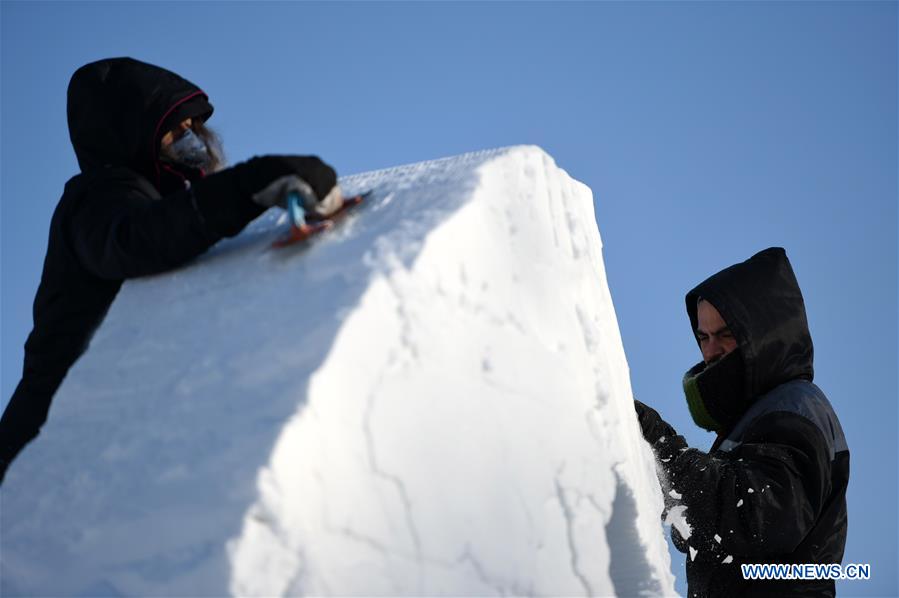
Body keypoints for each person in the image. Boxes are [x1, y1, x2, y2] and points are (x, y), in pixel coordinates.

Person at [0, 57, 344, 483]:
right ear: (130, 132)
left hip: (94, 450)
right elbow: (137, 240)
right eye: (174, 129)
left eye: (191, 128)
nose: (189, 140)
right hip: (33, 455)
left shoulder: (161, 200)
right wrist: (248, 185)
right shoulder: (96, 199)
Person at [634, 247, 849, 597]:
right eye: (703, 337)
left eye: (726, 334)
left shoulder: (794, 410)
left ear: (762, 334)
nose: (711, 350)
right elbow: (710, 529)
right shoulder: (754, 419)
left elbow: (754, 516)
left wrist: (660, 448)